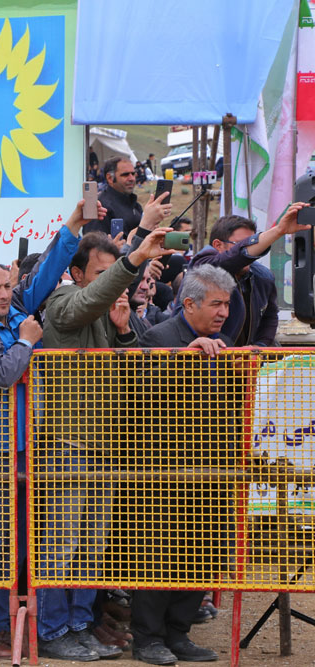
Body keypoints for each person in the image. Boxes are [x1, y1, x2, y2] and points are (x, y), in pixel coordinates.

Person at [0, 199, 105, 659]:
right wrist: (26, 340)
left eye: (5, 285)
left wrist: (72, 225)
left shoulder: (12, 309)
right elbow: (0, 372)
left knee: (17, 545)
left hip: (28, 446)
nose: (4, 293)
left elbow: (45, 272)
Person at [35, 226, 174, 661]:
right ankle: (53, 631)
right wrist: (132, 261)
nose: (110, 279)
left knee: (91, 547)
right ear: (75, 273)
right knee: (62, 544)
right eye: (101, 271)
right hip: (68, 445)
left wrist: (125, 333)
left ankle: (80, 625)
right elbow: (88, 299)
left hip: (103, 448)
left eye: (113, 270)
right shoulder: (62, 302)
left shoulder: (106, 315)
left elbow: (134, 385)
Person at [130, 265, 235, 665]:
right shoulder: (160, 338)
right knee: (159, 555)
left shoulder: (221, 342)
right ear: (188, 304)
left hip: (211, 470)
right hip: (163, 472)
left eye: (226, 304)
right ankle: (148, 638)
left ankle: (179, 633)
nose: (223, 312)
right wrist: (178, 360)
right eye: (216, 304)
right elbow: (138, 398)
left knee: (203, 554)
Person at [185, 203, 311, 346]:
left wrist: (258, 348)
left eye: (253, 243)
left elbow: (269, 318)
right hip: (205, 359)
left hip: (247, 363)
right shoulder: (203, 266)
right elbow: (231, 259)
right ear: (218, 245)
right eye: (240, 244)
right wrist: (278, 231)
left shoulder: (264, 276)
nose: (254, 250)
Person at [93, 157, 156, 236]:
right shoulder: (100, 207)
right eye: (125, 175)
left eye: (133, 174)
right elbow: (94, 245)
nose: (132, 178)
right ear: (110, 178)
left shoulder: (135, 205)